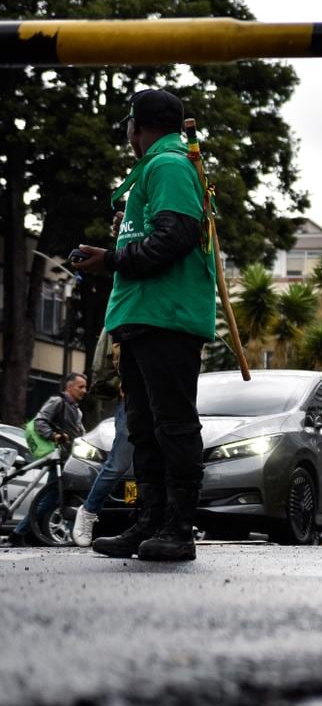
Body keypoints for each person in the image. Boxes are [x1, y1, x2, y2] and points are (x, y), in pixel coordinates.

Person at [73, 88, 216, 562]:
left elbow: (175, 236)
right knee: (144, 428)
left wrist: (111, 258)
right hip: (141, 316)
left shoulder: (169, 165)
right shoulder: (155, 169)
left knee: (172, 424)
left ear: (136, 126)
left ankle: (178, 528)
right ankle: (150, 521)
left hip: (167, 316)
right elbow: (160, 232)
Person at [7, 373, 87, 546]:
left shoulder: (76, 410)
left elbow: (80, 435)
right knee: (51, 497)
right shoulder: (58, 402)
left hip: (70, 460)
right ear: (69, 387)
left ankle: (22, 534)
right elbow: (40, 421)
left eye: (85, 387)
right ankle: (18, 532)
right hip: (58, 458)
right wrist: (54, 436)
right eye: (80, 387)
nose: (84, 391)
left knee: (62, 498)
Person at [71, 396, 134, 547]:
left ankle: (161, 522)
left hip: (162, 401)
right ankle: (89, 510)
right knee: (119, 464)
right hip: (134, 401)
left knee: (158, 465)